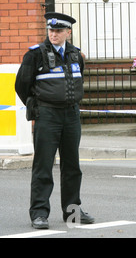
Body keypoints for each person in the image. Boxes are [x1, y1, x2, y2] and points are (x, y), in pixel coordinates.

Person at [15, 12, 95, 229]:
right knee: (43, 166)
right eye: (51, 30)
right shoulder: (35, 55)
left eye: (58, 31)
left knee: (72, 166)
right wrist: (38, 105)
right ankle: (39, 214)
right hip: (47, 115)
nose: (54, 34)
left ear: (68, 32)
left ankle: (72, 211)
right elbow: (22, 85)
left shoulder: (75, 54)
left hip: (70, 115)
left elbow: (79, 81)